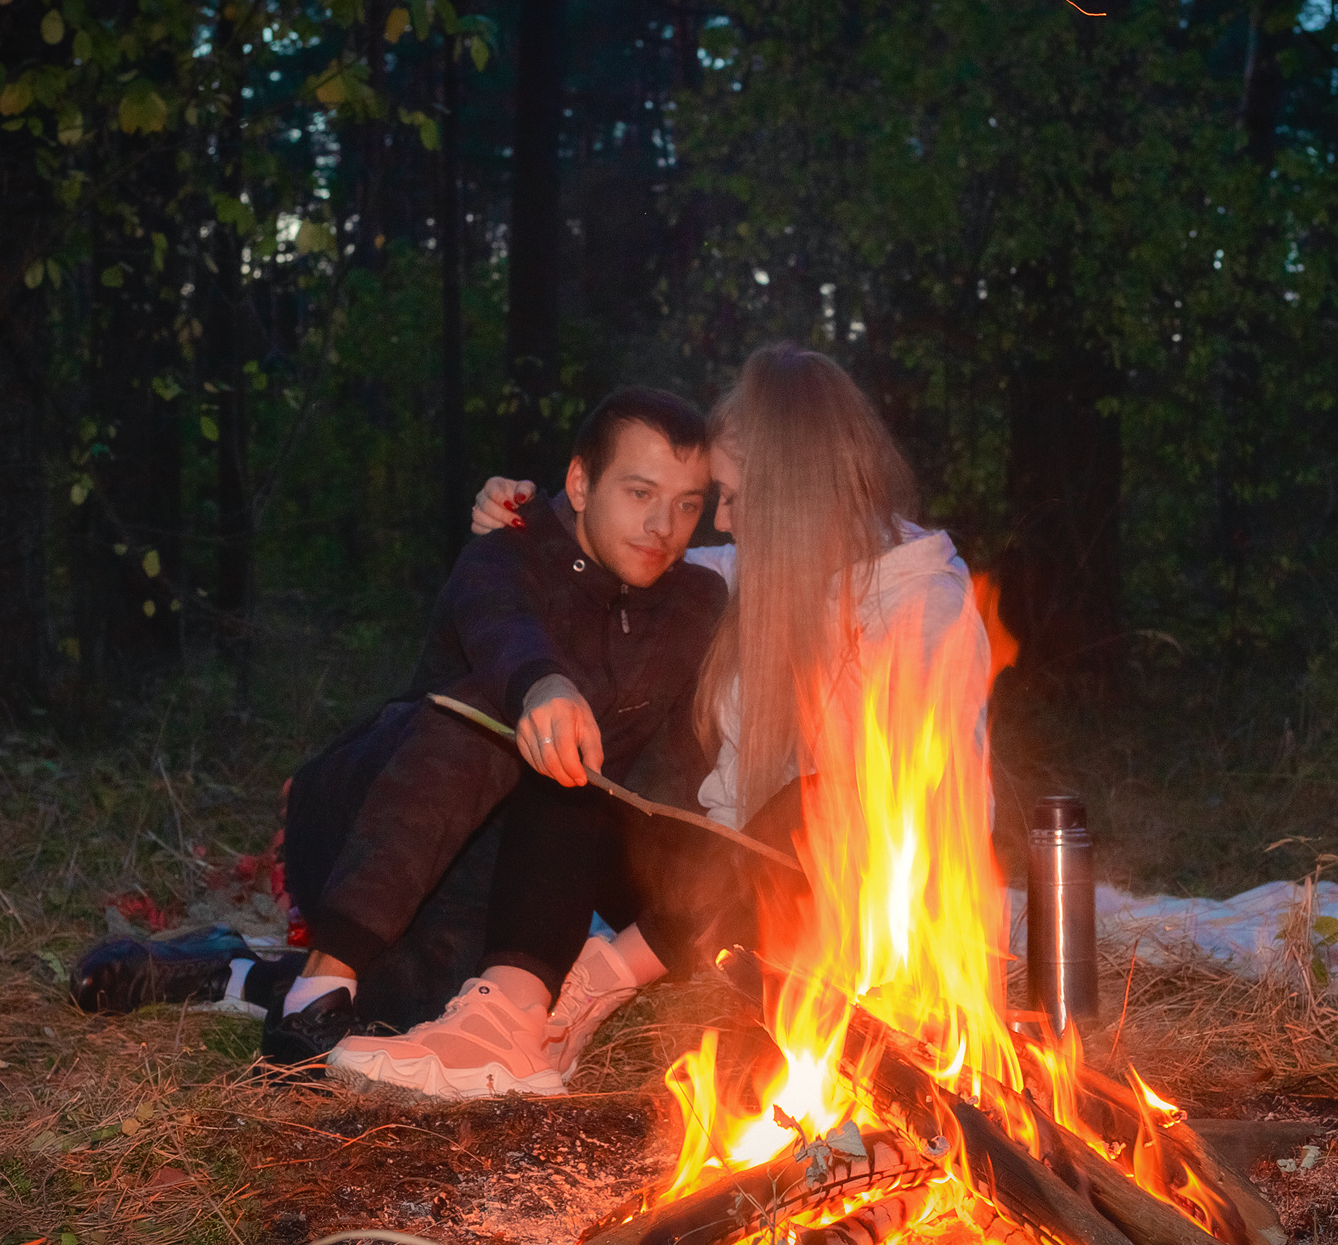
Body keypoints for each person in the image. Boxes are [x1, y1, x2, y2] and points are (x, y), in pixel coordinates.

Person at [340, 342, 987, 1098]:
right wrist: (533, 521)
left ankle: (592, 982)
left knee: (833, 794)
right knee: (574, 731)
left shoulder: (922, 610)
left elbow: (892, 836)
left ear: (795, 499)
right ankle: (508, 1024)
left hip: (830, 920)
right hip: (698, 891)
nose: (718, 519)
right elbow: (611, 559)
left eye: (735, 498)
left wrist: (621, 961)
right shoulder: (750, 570)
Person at [263, 388, 725, 1083]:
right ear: (579, 482)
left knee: (423, 1004)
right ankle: (324, 974)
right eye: (639, 492)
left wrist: (692, 892)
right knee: (491, 709)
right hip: (369, 822)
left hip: (485, 873)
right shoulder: (509, 548)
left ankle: (239, 973)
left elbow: (662, 780)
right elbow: (499, 624)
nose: (664, 524)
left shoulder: (693, 606)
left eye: (688, 504)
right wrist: (540, 683)